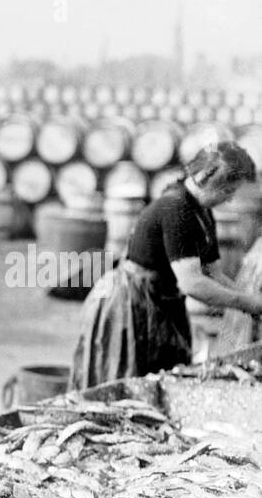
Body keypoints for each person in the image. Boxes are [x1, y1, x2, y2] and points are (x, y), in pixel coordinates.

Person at [71, 141, 262, 388]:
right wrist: (247, 303)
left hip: (163, 299)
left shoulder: (202, 213)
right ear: (210, 179)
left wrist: (250, 301)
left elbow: (213, 273)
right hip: (131, 300)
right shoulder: (176, 209)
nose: (230, 199)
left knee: (163, 377)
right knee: (127, 380)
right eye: (228, 190)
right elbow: (193, 283)